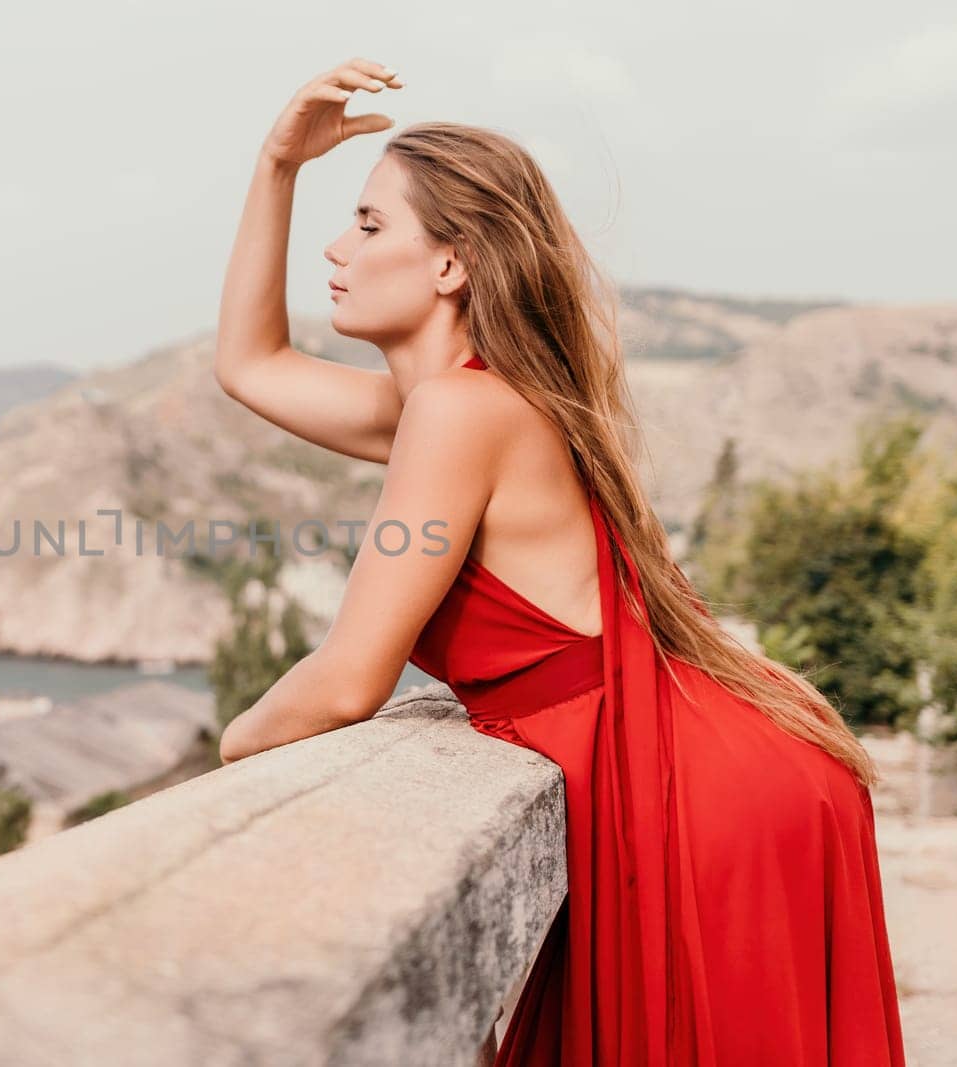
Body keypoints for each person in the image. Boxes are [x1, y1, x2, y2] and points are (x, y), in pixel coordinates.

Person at [213, 57, 907, 1066]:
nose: (336, 247)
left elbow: (347, 680)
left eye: (367, 225)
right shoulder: (455, 406)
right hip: (704, 765)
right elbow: (249, 366)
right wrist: (274, 163)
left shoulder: (458, 412)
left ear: (449, 264)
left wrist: (227, 755)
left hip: (692, 790)